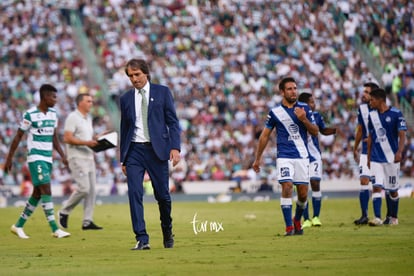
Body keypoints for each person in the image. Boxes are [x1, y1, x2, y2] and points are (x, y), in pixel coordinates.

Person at [120, 58, 181, 250]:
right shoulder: (125, 98)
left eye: (137, 74)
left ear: (146, 73)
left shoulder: (163, 92)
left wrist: (175, 147)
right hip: (134, 151)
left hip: (158, 151)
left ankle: (167, 230)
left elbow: (172, 122)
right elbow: (125, 129)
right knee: (134, 193)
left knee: (162, 196)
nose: (134, 79)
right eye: (130, 76)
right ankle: (142, 238)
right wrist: (123, 158)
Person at [252, 77, 318, 236]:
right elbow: (264, 136)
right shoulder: (275, 112)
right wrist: (257, 158)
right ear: (282, 92)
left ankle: (297, 219)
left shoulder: (305, 109)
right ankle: (289, 227)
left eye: (295, 88)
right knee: (287, 187)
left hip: (302, 156)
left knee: (303, 194)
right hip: (284, 156)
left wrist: (304, 119)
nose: (293, 91)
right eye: (289, 89)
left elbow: (315, 131)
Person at [4, 84, 71, 239]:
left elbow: (54, 137)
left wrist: (62, 155)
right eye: (53, 97)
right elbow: (18, 136)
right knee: (46, 189)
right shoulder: (30, 115)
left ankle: (18, 225)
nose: (56, 100)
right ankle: (55, 229)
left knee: (37, 194)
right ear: (45, 97)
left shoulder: (53, 114)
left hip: (48, 158)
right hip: (35, 157)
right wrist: (9, 159)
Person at [58, 93, 103, 230]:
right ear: (80, 103)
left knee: (92, 191)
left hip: (89, 157)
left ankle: (87, 221)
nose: (91, 103)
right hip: (77, 157)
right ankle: (64, 211)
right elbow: (67, 138)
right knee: (84, 188)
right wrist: (86, 142)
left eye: (91, 101)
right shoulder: (73, 117)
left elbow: (86, 137)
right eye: (88, 101)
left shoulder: (87, 118)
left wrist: (96, 139)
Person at [367, 88, 407, 226]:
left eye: (372, 100)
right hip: (376, 157)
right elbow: (371, 137)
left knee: (392, 190)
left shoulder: (396, 114)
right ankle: (377, 218)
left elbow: (402, 134)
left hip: (391, 157)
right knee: (376, 187)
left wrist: (399, 152)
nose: (370, 102)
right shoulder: (372, 115)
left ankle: (393, 217)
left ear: (380, 100)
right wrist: (368, 157)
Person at [297, 92, 337, 228]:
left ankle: (316, 217)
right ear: (304, 105)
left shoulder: (317, 116)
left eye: (314, 102)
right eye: (311, 102)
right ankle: (306, 219)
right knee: (303, 188)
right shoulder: (296, 116)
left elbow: (322, 130)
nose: (314, 105)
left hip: (314, 156)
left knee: (315, 183)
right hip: (301, 156)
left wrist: (334, 130)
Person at [352, 82, 379, 225]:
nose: (364, 94)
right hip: (364, 149)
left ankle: (382, 216)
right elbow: (360, 129)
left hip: (379, 150)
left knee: (378, 184)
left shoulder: (382, 109)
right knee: (363, 180)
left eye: (367, 92)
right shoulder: (362, 108)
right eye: (364, 92)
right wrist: (355, 147)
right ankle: (364, 215)